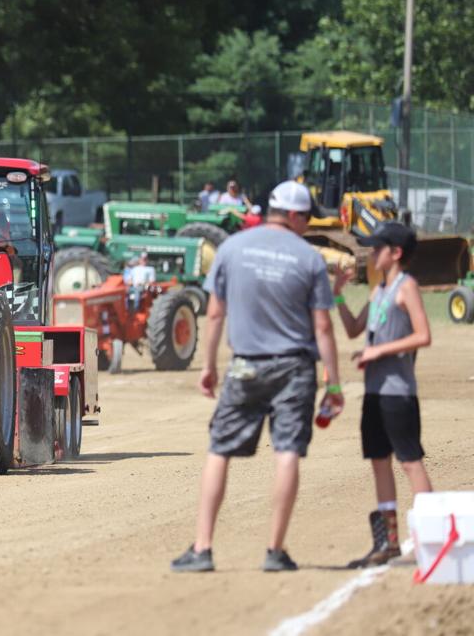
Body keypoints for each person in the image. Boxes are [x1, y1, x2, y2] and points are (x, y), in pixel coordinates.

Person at [171, 180, 342, 573]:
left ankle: (202, 548)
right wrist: (333, 382)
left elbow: (214, 314)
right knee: (287, 452)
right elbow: (323, 327)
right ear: (296, 216)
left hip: (246, 364)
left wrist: (209, 366)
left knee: (219, 450)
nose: (306, 226)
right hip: (294, 367)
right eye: (306, 218)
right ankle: (274, 551)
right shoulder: (309, 258)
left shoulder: (232, 247)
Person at [333, 221, 433, 568]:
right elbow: (352, 330)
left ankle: (431, 540)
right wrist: (338, 294)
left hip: (398, 392)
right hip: (375, 392)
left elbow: (423, 335)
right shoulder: (378, 292)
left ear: (396, 253)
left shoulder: (407, 288)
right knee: (379, 461)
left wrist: (379, 351)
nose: (372, 253)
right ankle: (388, 543)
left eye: (377, 248)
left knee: (409, 461)